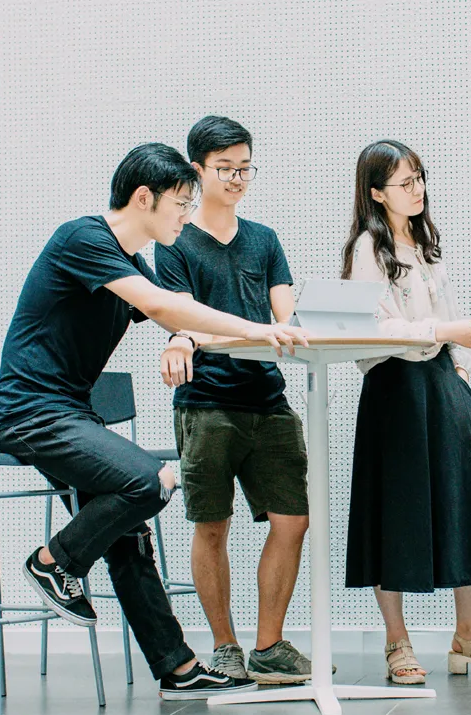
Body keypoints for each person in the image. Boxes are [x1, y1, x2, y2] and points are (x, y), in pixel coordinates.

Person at [0, 142, 307, 700]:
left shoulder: (129, 262)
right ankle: (52, 562)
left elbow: (181, 314)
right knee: (149, 480)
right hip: (30, 410)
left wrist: (199, 334)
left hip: (69, 412)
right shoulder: (82, 239)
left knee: (129, 536)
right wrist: (256, 329)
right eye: (182, 204)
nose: (188, 217)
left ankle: (177, 668)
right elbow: (165, 308)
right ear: (145, 198)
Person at [340, 140, 471, 684]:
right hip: (394, 389)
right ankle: (398, 642)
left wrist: (459, 371)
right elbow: (372, 330)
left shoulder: (425, 241)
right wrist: (444, 334)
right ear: (376, 193)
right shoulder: (366, 249)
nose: (417, 190)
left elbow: (451, 315)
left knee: (461, 505)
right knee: (394, 511)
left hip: (441, 383)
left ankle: (470, 636)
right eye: (404, 182)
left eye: (420, 178)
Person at [155, 116, 312, 684]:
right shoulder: (174, 242)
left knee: (293, 519)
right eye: (226, 169)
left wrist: (292, 324)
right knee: (211, 525)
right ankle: (225, 646)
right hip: (206, 405)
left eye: (246, 168)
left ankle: (269, 645)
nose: (238, 178)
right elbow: (179, 317)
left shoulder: (264, 239)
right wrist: (189, 337)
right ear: (197, 170)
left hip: (269, 401)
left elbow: (284, 314)